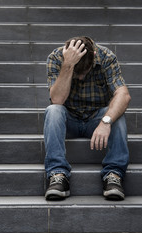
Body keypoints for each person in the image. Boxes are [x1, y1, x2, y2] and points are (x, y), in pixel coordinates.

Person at [44, 36, 131, 201]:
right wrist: (68, 65)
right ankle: (57, 173)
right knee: (53, 110)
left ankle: (114, 174)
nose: (81, 77)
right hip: (68, 119)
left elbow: (123, 95)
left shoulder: (106, 56)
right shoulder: (56, 58)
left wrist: (106, 121)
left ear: (94, 56)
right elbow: (57, 99)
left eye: (85, 72)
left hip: (96, 119)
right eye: (78, 73)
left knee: (115, 113)